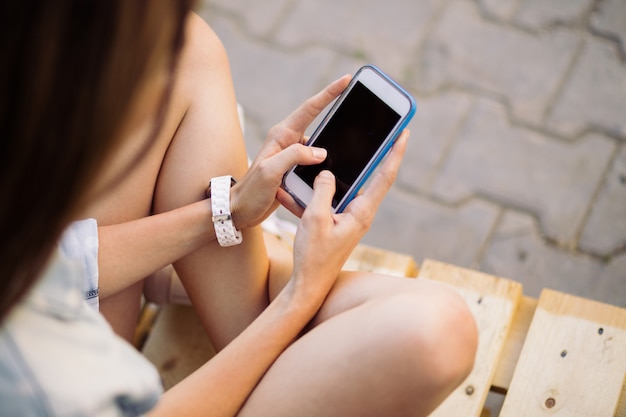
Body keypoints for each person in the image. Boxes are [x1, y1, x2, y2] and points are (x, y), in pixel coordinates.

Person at [0, 1, 478, 416]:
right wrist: (299, 296)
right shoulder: (32, 378)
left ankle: (225, 289)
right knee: (437, 334)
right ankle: (264, 318)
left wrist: (226, 212)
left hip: (39, 285)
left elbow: (46, 263)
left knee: (182, 51)